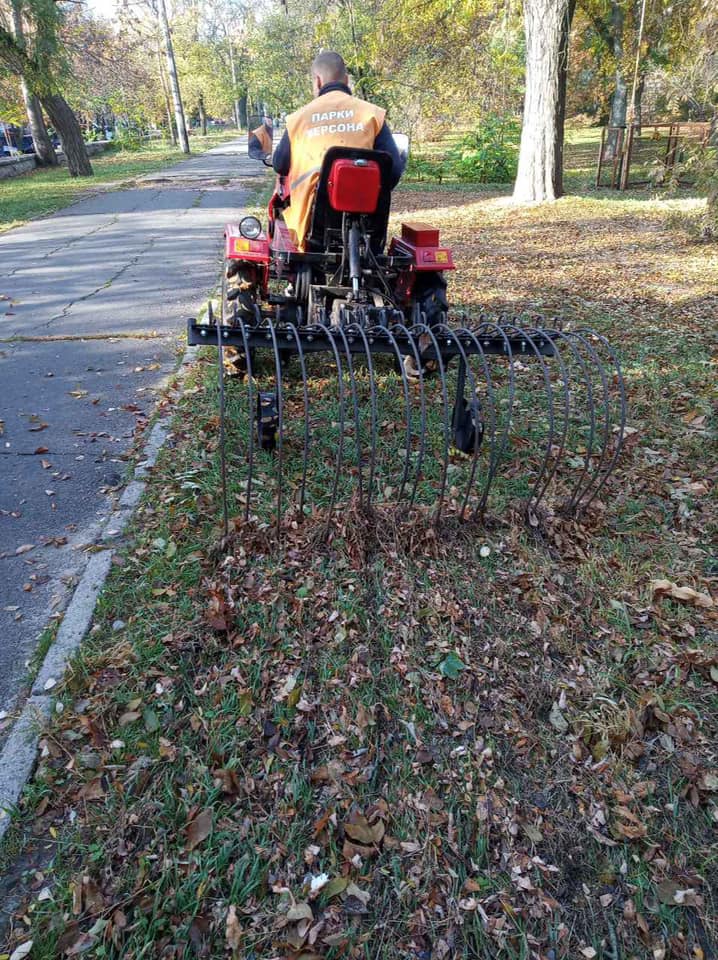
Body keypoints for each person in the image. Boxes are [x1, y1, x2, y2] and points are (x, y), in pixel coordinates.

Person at [272, 51, 404, 249]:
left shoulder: (299, 118)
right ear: (347, 80)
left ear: (317, 82)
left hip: (312, 222)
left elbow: (280, 164)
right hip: (367, 220)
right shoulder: (372, 114)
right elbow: (392, 170)